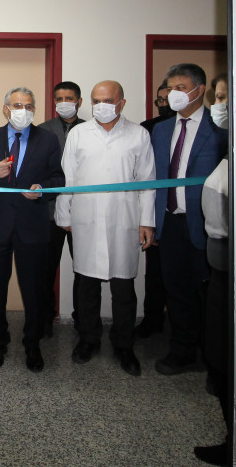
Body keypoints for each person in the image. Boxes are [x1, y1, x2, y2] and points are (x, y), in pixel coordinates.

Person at [56, 81, 155, 377]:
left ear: (122, 102)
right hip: (86, 219)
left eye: (108, 100)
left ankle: (124, 345)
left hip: (124, 221)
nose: (101, 106)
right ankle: (88, 340)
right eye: (97, 100)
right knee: (86, 284)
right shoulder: (78, 134)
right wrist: (64, 213)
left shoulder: (138, 135)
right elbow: (67, 177)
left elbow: (148, 181)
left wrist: (147, 221)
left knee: (123, 287)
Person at [193, 65, 236, 465]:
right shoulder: (231, 149)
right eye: (218, 98)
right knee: (221, 361)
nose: (220, 106)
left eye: (227, 98)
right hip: (222, 271)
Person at [0, 87, 64, 372]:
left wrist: (42, 188)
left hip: (32, 226)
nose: (23, 110)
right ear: (6, 109)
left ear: (34, 109)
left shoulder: (47, 139)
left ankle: (32, 343)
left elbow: (58, 178)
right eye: (17, 105)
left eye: (28, 105)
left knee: (34, 290)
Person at [150, 63, 226, 376]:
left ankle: (215, 358)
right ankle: (182, 352)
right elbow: (154, 179)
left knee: (210, 295)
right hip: (170, 222)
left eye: (180, 88)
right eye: (170, 88)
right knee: (177, 290)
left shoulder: (220, 127)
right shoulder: (161, 130)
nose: (173, 94)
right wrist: (151, 221)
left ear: (199, 89)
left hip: (207, 224)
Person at [37, 81, 85, 337]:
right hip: (49, 211)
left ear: (79, 101)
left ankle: (82, 318)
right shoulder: (43, 131)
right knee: (46, 268)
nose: (64, 103)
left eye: (69, 98)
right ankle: (46, 318)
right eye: (59, 99)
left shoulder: (90, 130)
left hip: (82, 211)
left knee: (84, 268)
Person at [137, 79, 173, 339]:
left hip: (186, 213)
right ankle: (152, 320)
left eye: (168, 99)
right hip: (156, 210)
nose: (164, 104)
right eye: (160, 100)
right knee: (155, 273)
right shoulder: (148, 128)